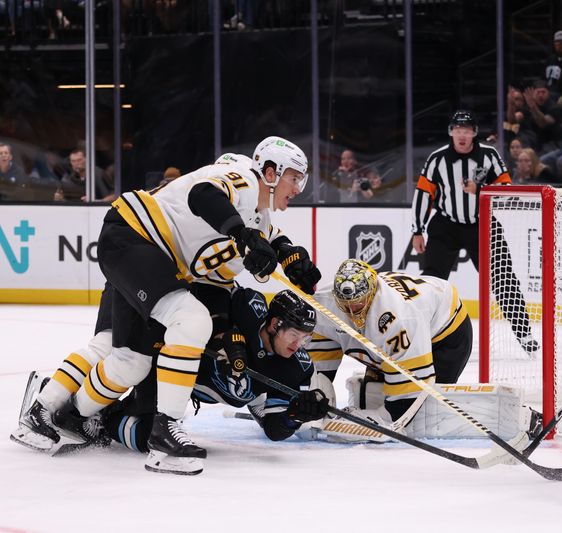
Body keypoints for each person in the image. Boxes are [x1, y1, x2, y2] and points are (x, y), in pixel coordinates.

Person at [45, 138, 320, 475]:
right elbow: (203, 195)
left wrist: (294, 258)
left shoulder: (255, 216)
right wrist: (241, 235)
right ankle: (154, 429)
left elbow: (270, 238)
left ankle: (67, 415)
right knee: (168, 328)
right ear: (270, 171)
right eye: (295, 177)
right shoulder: (245, 179)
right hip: (138, 241)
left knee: (131, 361)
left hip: (150, 259)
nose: (300, 187)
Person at [102, 288, 328, 453]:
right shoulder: (247, 306)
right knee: (148, 428)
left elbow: (274, 431)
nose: (298, 345)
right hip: (169, 367)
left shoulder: (297, 367)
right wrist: (224, 334)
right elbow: (207, 292)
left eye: (305, 338)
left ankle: (105, 423)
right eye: (294, 335)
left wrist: (294, 416)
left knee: (145, 437)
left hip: (206, 390)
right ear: (274, 324)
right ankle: (96, 409)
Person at [411, 110, 538, 355]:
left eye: (466, 130)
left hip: (482, 224)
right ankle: (422, 332)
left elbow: (505, 190)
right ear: (451, 132)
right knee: (431, 282)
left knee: (503, 278)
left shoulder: (489, 155)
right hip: (446, 225)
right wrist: (417, 230)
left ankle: (524, 333)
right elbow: (422, 194)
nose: (461, 135)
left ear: (474, 133)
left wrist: (480, 190)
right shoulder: (437, 159)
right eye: (457, 130)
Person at [309, 259, 471, 426]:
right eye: (345, 305)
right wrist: (315, 396)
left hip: (445, 329)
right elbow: (313, 369)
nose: (352, 310)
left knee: (427, 415)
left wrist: (382, 420)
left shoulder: (400, 319)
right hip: (399, 323)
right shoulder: (323, 304)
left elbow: (407, 400)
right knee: (373, 397)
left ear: (372, 292)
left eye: (359, 302)